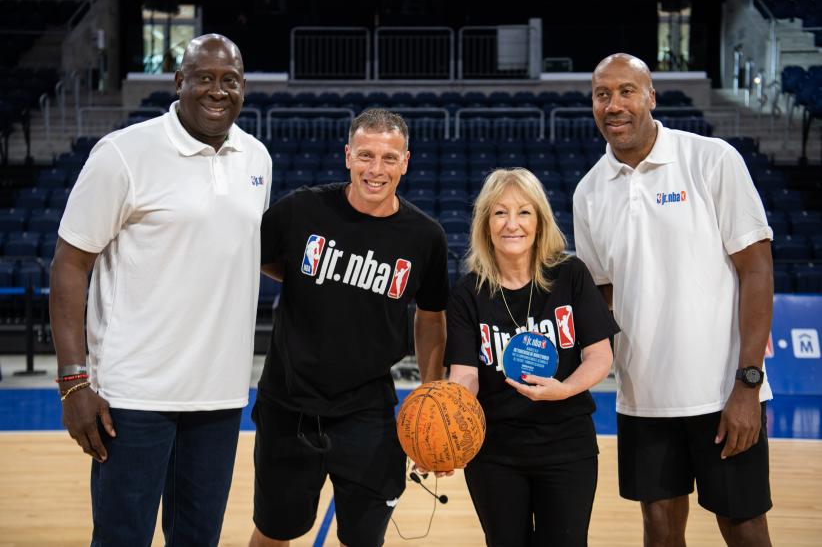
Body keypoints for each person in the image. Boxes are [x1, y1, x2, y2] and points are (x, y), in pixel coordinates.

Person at [49, 34, 271, 546]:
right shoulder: (124, 154)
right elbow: (68, 264)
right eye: (205, 78)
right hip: (133, 394)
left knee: (198, 539)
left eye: (231, 80)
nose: (218, 90)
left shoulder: (256, 159)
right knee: (122, 537)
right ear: (179, 82)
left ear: (243, 88)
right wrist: (74, 382)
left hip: (219, 395)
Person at [573, 53, 774, 547]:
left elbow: (757, 269)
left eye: (626, 91)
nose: (614, 105)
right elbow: (604, 297)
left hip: (723, 393)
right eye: (603, 95)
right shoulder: (589, 192)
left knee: (742, 525)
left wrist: (748, 384)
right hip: (643, 397)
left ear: (650, 98)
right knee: (659, 528)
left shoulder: (711, 159)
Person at [250, 108, 449, 547]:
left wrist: (433, 393)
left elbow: (432, 317)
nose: (376, 169)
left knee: (363, 540)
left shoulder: (424, 236)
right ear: (347, 156)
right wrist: (303, 276)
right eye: (365, 155)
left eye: (389, 158)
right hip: (289, 402)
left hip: (367, 410)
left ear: (406, 162)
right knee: (272, 533)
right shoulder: (301, 210)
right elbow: (255, 258)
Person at [445, 167, 619, 546]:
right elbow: (464, 375)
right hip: (495, 451)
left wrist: (565, 388)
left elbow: (599, 356)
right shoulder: (466, 293)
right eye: (500, 212)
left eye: (524, 212)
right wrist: (447, 428)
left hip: (566, 445)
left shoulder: (571, 275)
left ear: (540, 221)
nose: (512, 224)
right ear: (485, 223)